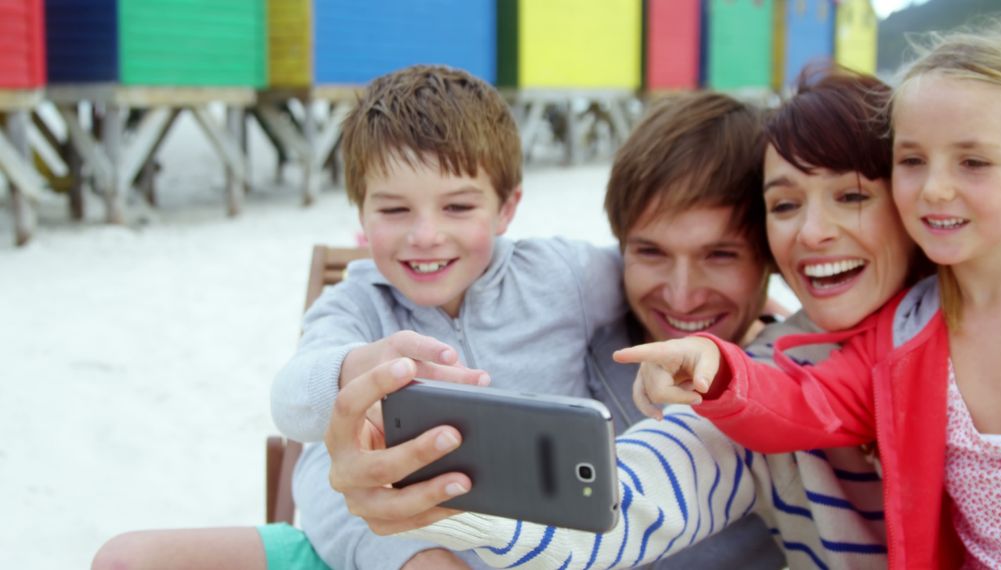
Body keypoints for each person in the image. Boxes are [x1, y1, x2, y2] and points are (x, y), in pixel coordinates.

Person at [91, 69, 782, 569]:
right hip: (376, 543)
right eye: (394, 211)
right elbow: (293, 403)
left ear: (507, 208)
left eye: (457, 208)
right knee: (126, 558)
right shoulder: (358, 305)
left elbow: (671, 288)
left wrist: (759, 329)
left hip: (505, 551)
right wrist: (355, 371)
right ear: (359, 214)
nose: (425, 236)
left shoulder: (566, 280)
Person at [394, 68, 918, 568]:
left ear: (766, 259)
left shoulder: (788, 362)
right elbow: (653, 481)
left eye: (720, 256)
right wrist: (437, 523)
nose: (684, 296)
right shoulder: (569, 345)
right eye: (650, 253)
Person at [624, 24, 1001, 568]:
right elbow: (802, 403)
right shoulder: (904, 331)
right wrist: (715, 368)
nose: (934, 188)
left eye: (973, 162)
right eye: (912, 161)